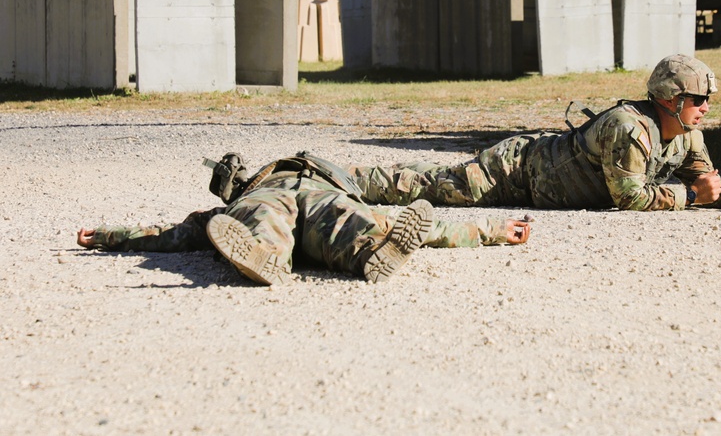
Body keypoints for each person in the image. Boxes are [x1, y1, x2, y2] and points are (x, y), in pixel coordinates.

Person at [349, 54, 721, 212]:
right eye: (697, 100)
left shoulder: (689, 133)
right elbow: (629, 197)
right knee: (431, 187)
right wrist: (692, 197)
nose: (705, 108)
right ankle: (348, 177)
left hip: (537, 188)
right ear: (671, 98)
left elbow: (705, 182)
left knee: (437, 182)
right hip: (516, 172)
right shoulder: (629, 128)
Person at [77, 152, 530, 286]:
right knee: (280, 220)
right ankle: (266, 258)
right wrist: (106, 236)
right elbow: (168, 234)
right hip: (284, 200)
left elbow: (168, 236)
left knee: (353, 217)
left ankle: (375, 251)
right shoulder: (245, 198)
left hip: (321, 197)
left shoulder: (325, 178)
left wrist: (493, 230)